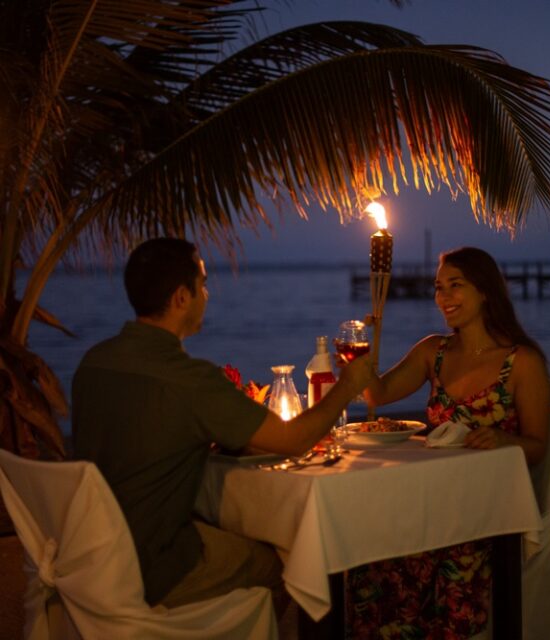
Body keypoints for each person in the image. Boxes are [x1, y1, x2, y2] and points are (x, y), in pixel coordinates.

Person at [72, 237, 372, 611]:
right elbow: (294, 440)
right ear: (182, 297)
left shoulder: (93, 362)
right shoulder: (189, 380)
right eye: (204, 284)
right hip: (150, 564)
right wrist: (347, 385)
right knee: (284, 563)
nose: (208, 295)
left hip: (87, 553)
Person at [345, 246, 550, 639]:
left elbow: (538, 447)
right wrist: (363, 349)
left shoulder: (521, 362)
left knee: (432, 566)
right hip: (428, 499)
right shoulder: (432, 352)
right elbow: (377, 394)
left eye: (455, 285)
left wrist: (504, 439)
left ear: (486, 290)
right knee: (368, 557)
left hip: (483, 509)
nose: (444, 297)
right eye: (439, 287)